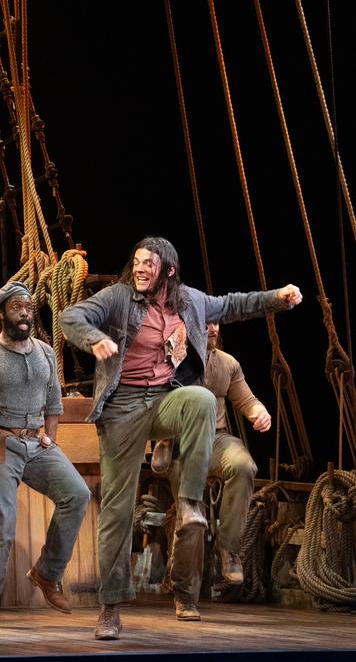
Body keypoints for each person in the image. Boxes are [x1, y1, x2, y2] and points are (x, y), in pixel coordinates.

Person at [60, 236, 302, 639]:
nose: (140, 269)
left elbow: (235, 304)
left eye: (149, 264)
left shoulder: (190, 301)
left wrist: (277, 298)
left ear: (168, 271)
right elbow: (72, 316)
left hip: (162, 398)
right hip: (122, 406)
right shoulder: (118, 297)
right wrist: (94, 337)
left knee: (201, 399)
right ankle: (110, 608)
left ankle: (189, 503)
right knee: (118, 509)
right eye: (137, 261)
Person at [0, 281, 91, 629]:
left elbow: (54, 401)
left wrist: (51, 439)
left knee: (77, 494)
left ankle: (47, 573)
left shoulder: (44, 352)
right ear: (1, 314)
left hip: (36, 443)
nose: (25, 313)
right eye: (16, 308)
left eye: (28, 307)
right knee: (2, 527)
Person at [157, 322, 269, 591]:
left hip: (216, 438)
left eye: (217, 322)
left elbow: (246, 400)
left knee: (243, 465)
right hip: (182, 441)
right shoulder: (172, 357)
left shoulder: (227, 363)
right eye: (206, 323)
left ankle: (229, 549)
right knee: (190, 509)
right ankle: (184, 581)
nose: (213, 329)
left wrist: (259, 412)